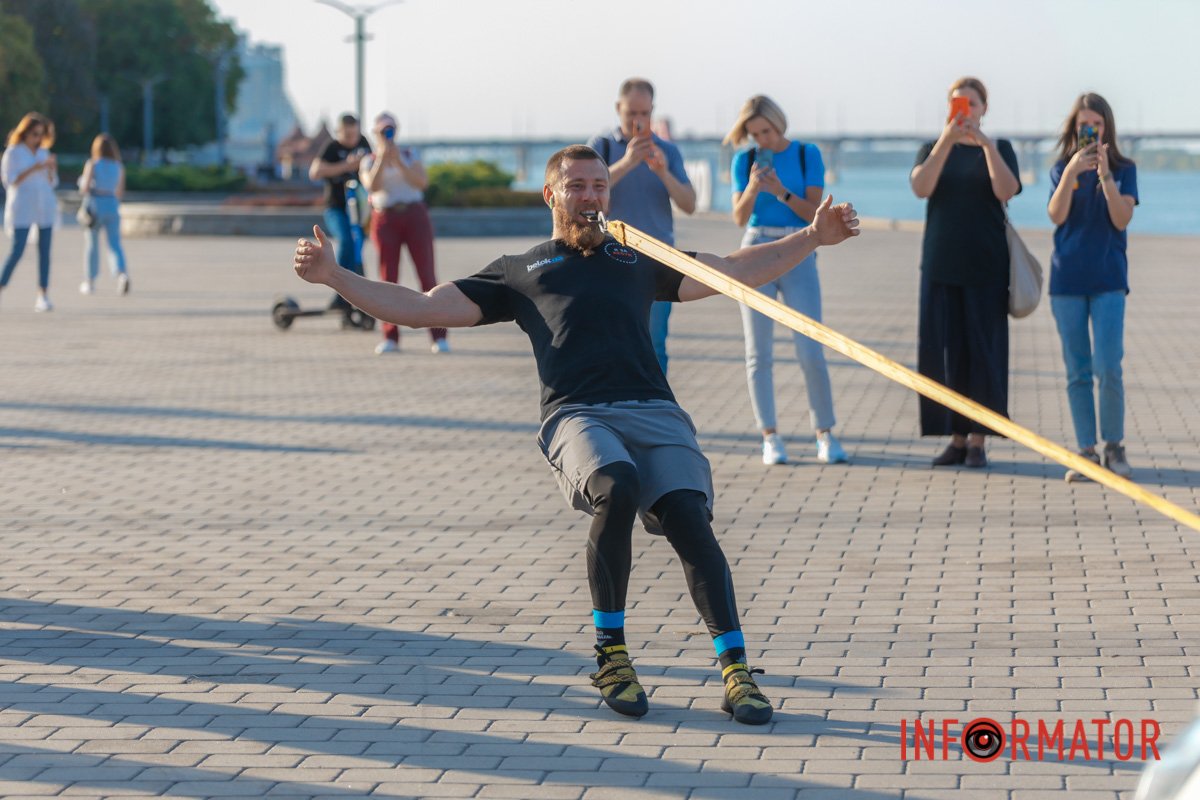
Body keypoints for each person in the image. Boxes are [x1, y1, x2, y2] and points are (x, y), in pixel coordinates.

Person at [294, 144, 859, 725]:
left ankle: (736, 670)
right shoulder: (521, 270)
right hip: (578, 414)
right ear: (551, 195)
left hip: (655, 410)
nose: (591, 197)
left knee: (689, 517)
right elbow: (420, 307)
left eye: (599, 186)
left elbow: (733, 271)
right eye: (577, 186)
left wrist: (813, 236)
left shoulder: (637, 255)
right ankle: (613, 657)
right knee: (617, 486)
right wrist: (335, 276)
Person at [726, 95, 849, 467]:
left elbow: (815, 215)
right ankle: (770, 436)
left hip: (798, 246)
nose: (761, 140)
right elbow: (738, 217)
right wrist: (753, 188)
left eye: (766, 131)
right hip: (756, 247)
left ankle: (825, 433)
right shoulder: (744, 160)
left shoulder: (806, 154)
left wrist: (780, 190)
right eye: (754, 134)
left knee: (811, 347)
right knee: (758, 352)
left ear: (779, 124)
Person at [910, 77, 1021, 469]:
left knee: (984, 354)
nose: (965, 110)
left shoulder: (1000, 148)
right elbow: (920, 187)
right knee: (946, 354)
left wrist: (985, 144)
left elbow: (1006, 190)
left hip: (987, 267)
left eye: (972, 104)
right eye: (957, 103)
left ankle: (978, 440)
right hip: (941, 265)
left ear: (984, 109)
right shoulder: (932, 148)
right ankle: (954, 439)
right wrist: (946, 141)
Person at [1046, 93, 1138, 482]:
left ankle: (1114, 445)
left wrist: (1105, 176)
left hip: (1109, 281)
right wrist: (1071, 172)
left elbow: (1121, 219)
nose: (1091, 131)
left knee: (1108, 366)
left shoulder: (1124, 169)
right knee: (1077, 370)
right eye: (1085, 124)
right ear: (1075, 127)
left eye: (1097, 125)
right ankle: (1086, 451)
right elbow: (1056, 215)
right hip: (1067, 281)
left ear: (1107, 128)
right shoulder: (1060, 169)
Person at [587, 78, 696, 375]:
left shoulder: (667, 151)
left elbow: (689, 204)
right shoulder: (601, 146)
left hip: (658, 260)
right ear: (618, 108)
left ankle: (656, 402)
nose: (638, 120)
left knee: (654, 343)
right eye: (631, 113)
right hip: (608, 257)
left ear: (652, 110)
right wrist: (628, 162)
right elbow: (588, 193)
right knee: (610, 340)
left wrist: (662, 172)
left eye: (644, 113)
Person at [360, 112, 446, 355]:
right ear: (375, 133)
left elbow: (421, 182)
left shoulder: (409, 154)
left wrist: (398, 162)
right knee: (388, 277)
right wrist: (382, 158)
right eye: (382, 131)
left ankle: (439, 336)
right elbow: (372, 186)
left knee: (427, 274)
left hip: (414, 214)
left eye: (391, 130)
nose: (388, 136)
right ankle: (390, 336)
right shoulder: (368, 160)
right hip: (385, 216)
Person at [309, 113, 371, 318]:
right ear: (339, 132)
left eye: (355, 134)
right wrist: (347, 166)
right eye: (347, 135)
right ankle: (342, 292)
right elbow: (315, 172)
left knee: (357, 248)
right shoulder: (332, 147)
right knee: (346, 241)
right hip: (336, 208)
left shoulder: (363, 143)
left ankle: (358, 293)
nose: (352, 139)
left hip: (359, 210)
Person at [1, 112, 58, 312]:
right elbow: (10, 181)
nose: (38, 138)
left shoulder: (43, 152)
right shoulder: (13, 152)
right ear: (24, 132)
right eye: (35, 134)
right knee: (17, 250)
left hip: (44, 207)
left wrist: (50, 169)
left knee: (45, 253)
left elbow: (53, 182)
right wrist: (35, 167)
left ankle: (43, 295)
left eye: (41, 134)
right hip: (22, 207)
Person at [77, 133, 130, 295]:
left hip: (95, 205)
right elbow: (120, 192)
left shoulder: (93, 164)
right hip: (112, 204)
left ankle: (90, 281)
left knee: (92, 244)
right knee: (114, 244)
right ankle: (121, 274)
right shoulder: (118, 166)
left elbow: (85, 188)